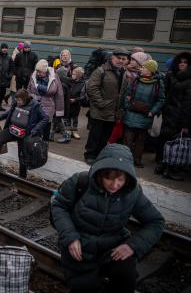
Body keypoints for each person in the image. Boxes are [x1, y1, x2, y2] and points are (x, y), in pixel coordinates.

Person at [51, 144, 165, 293]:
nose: (115, 185)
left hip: (112, 249)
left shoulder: (132, 193)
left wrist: (133, 246)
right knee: (85, 287)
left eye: (121, 180)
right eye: (109, 179)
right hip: (80, 247)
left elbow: (156, 222)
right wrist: (70, 237)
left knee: (126, 276)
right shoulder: (80, 182)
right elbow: (59, 206)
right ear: (100, 173)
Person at [84, 48, 128, 165]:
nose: (121, 60)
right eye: (118, 58)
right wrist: (100, 103)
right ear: (112, 58)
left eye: (124, 59)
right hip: (100, 110)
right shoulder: (101, 70)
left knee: (105, 136)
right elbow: (92, 88)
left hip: (113, 111)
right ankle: (90, 154)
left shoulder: (124, 72)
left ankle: (99, 154)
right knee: (95, 135)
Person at [0, 89, 49, 178]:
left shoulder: (35, 106)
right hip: (12, 129)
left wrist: (35, 129)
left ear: (25, 99)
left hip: (25, 134)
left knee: (22, 155)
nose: (17, 102)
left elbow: (45, 118)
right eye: (16, 100)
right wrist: (0, 117)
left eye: (19, 100)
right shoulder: (16, 103)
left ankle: (22, 176)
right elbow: (10, 111)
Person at [155, 51, 191, 180]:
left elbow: (188, 104)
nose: (182, 64)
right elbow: (163, 94)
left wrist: (185, 123)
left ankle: (168, 166)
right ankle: (163, 165)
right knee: (165, 139)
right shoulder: (170, 75)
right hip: (169, 113)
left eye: (185, 62)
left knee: (174, 142)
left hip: (181, 115)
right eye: (180, 62)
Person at [122, 60, 165, 168]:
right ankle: (124, 158)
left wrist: (152, 111)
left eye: (143, 68)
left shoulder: (158, 83)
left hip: (146, 115)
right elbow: (127, 93)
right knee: (128, 139)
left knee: (141, 140)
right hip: (131, 113)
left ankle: (137, 159)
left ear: (150, 71)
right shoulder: (136, 80)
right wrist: (127, 106)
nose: (140, 69)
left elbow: (161, 100)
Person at [27, 59, 64, 141]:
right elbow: (28, 90)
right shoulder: (33, 76)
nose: (38, 74)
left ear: (45, 71)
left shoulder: (54, 77)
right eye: (37, 71)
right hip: (35, 106)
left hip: (49, 107)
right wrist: (27, 104)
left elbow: (59, 94)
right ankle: (34, 146)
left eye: (40, 72)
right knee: (34, 128)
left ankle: (44, 147)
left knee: (46, 129)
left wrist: (59, 111)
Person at [58, 66, 86, 142]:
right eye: (72, 73)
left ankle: (74, 131)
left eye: (74, 74)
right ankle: (68, 131)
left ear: (79, 75)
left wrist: (75, 100)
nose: (72, 75)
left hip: (76, 104)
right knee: (67, 118)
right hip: (67, 103)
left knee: (74, 118)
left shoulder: (83, 84)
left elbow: (84, 96)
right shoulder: (69, 81)